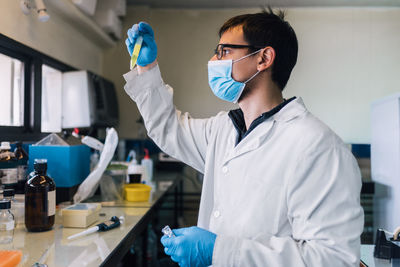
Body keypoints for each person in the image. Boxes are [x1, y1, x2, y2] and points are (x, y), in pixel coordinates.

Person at [123, 7, 364, 267]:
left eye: (224, 51)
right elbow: (168, 128)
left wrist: (220, 251)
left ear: (263, 58)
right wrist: (147, 69)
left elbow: (333, 259)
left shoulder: (317, 146)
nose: (213, 61)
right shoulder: (222, 129)